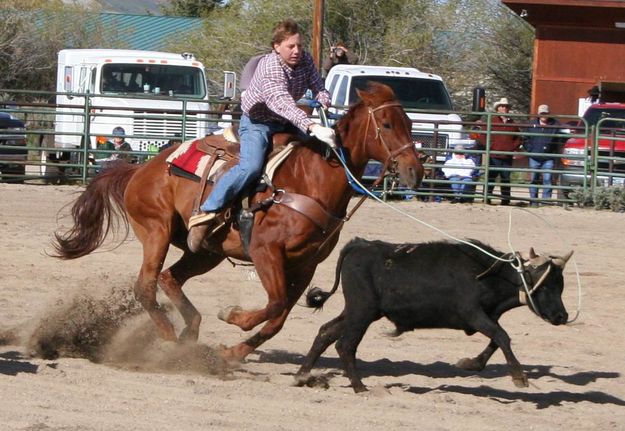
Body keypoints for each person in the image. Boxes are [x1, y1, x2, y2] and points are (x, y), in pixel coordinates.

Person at [187, 18, 335, 251]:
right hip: (258, 122)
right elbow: (282, 102)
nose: (296, 51)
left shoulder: (305, 60)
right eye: (290, 46)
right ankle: (206, 212)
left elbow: (319, 86)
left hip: (285, 122)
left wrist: (324, 101)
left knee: (313, 156)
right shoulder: (270, 66)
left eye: (299, 45)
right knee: (251, 166)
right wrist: (312, 127)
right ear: (276, 47)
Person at [483, 97, 522, 206]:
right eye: (502, 106)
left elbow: (518, 138)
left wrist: (512, 147)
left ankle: (505, 199)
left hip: (506, 156)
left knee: (505, 178)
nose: (504, 108)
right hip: (494, 155)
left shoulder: (513, 124)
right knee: (491, 178)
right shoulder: (492, 121)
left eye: (506, 107)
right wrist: (489, 146)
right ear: (498, 109)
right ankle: (487, 197)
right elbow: (482, 135)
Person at [524, 104, 561, 206]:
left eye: (546, 113)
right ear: (538, 114)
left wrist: (554, 151)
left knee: (547, 179)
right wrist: (530, 150)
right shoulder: (531, 125)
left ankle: (546, 201)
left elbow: (560, 139)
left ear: (549, 114)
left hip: (548, 157)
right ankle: (533, 201)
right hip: (534, 156)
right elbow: (525, 139)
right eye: (542, 113)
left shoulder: (555, 125)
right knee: (533, 179)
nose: (544, 115)